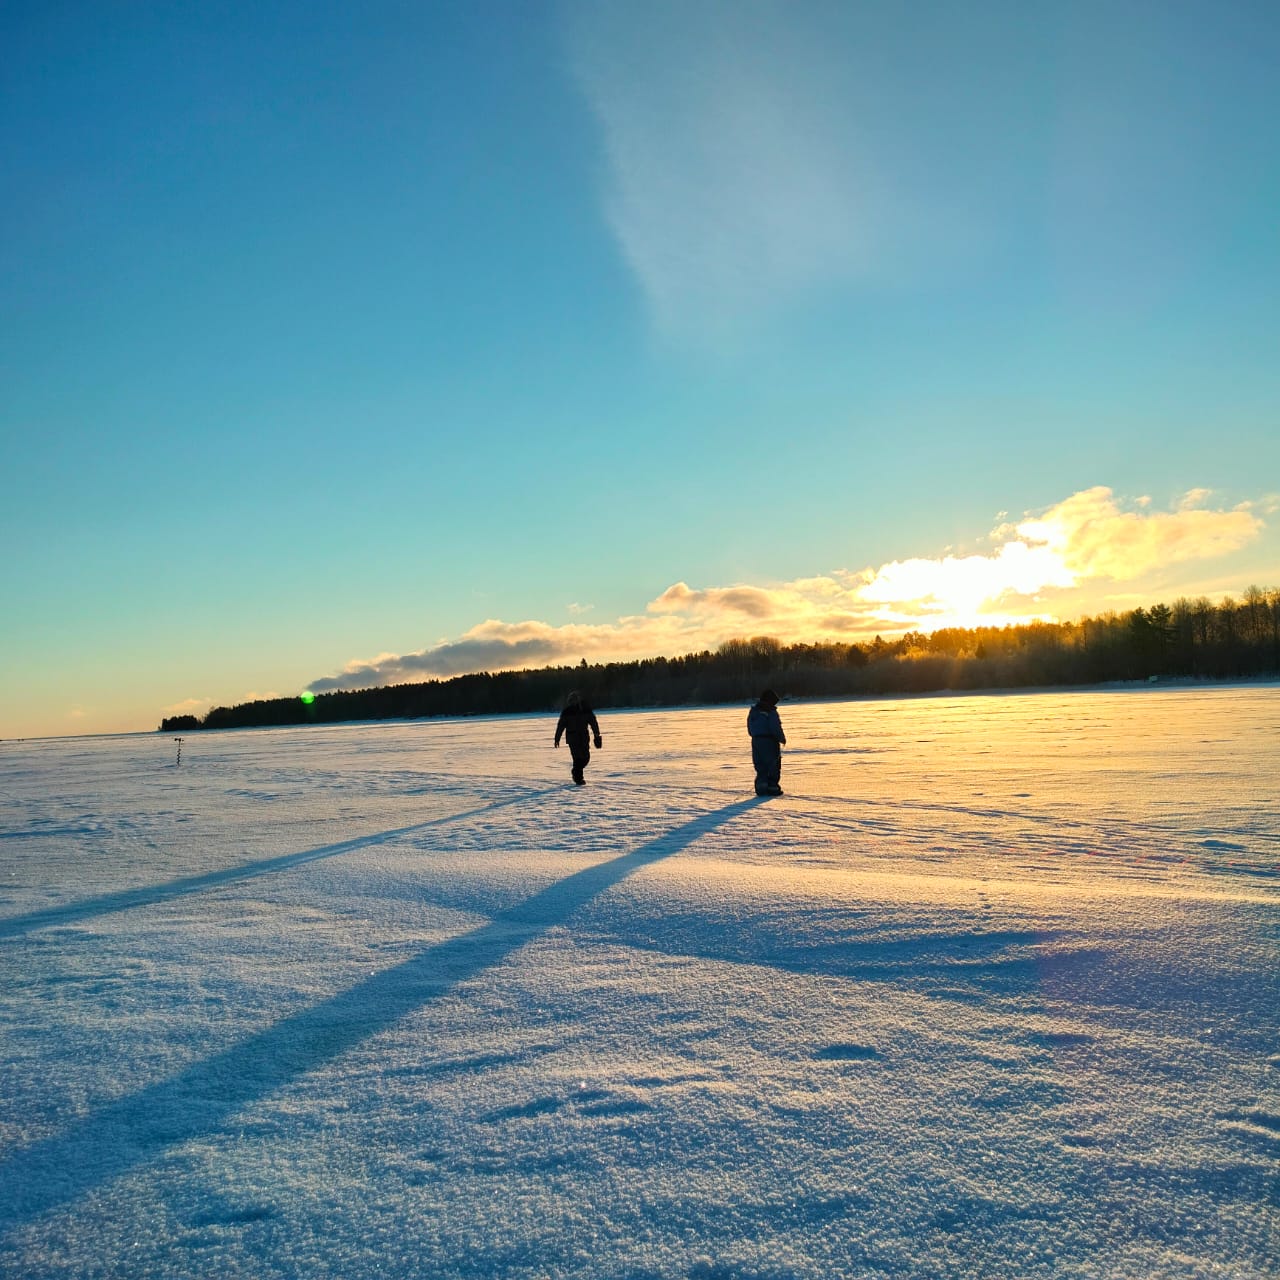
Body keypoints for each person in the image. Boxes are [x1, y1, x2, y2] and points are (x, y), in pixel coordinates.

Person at [554, 691, 602, 786]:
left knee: (586, 758)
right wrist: (557, 738)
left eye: (574, 700)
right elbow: (561, 726)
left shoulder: (585, 710)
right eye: (571, 700)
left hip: (584, 737)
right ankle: (578, 779)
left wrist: (596, 735)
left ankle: (575, 771)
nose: (573, 702)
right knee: (577, 759)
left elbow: (593, 722)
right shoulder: (567, 712)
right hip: (572, 738)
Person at [747, 689, 786, 796]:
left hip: (756, 740)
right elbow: (775, 727)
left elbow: (750, 728)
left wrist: (755, 737)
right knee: (773, 763)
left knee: (760, 765)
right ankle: (773, 788)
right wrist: (781, 738)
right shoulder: (771, 712)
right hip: (769, 740)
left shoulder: (754, 711)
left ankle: (761, 787)